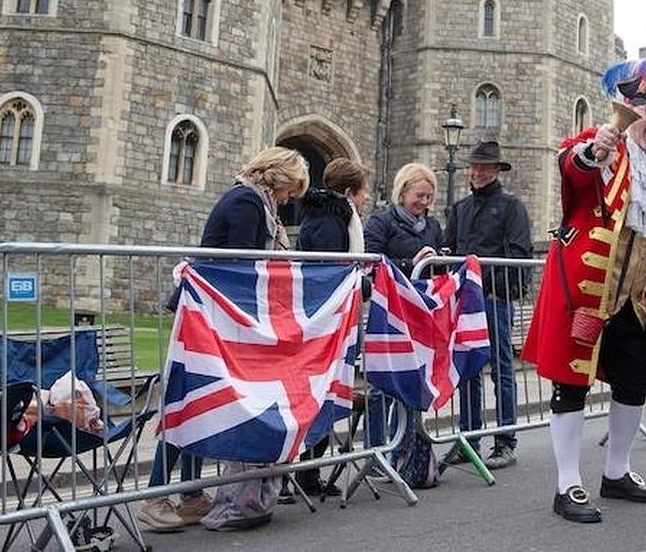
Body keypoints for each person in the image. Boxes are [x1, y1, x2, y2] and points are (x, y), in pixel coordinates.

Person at [522, 59, 646, 524]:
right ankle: (567, 484)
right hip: (584, 291)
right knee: (571, 385)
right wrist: (594, 151)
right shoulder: (602, 144)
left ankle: (617, 472)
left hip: (633, 296)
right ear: (628, 107)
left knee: (633, 383)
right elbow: (572, 166)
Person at [139, 146, 309, 533]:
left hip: (216, 319)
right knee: (191, 404)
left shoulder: (253, 201)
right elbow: (243, 267)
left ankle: (191, 495)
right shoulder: (247, 202)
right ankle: (154, 498)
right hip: (209, 321)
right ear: (277, 178)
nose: (287, 200)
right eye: (288, 191)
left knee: (202, 407)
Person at [444, 140, 532, 470]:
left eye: (484, 167)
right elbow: (449, 250)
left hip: (494, 299)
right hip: (465, 301)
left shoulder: (511, 207)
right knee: (468, 370)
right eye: (474, 166)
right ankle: (469, 438)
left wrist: (492, 284)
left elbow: (519, 254)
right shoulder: (460, 209)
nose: (477, 172)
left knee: (501, 368)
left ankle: (505, 440)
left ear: (496, 170)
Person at [289, 157, 372, 497]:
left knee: (326, 392)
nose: (366, 198)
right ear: (351, 191)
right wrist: (363, 285)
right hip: (323, 322)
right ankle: (298, 471)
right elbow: (328, 274)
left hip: (333, 320)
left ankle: (309, 471)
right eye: (364, 191)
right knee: (317, 393)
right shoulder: (329, 220)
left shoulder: (335, 217)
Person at [361, 163, 443, 449]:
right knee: (381, 383)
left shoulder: (433, 226)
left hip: (419, 312)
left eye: (428, 197)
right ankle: (376, 448)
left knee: (414, 378)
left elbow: (439, 267)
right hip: (387, 313)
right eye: (419, 195)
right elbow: (371, 263)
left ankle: (406, 446)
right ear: (403, 191)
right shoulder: (381, 222)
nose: (423, 203)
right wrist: (412, 263)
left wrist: (437, 262)